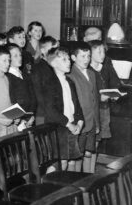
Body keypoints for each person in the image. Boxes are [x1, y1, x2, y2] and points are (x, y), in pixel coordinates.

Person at [45, 47, 84, 171]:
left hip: (71, 126)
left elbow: (76, 105)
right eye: (64, 59)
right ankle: (48, 187)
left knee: (68, 161)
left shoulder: (69, 81)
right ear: (53, 63)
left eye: (68, 59)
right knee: (60, 163)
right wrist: (68, 124)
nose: (69, 62)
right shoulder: (50, 82)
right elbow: (51, 110)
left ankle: (66, 189)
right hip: (59, 127)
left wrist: (80, 122)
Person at [88, 40, 121, 171]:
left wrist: (114, 94)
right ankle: (88, 171)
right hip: (93, 110)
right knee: (91, 143)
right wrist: (99, 97)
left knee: (97, 141)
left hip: (104, 109)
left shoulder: (106, 66)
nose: (103, 55)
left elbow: (115, 83)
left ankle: (92, 168)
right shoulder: (88, 69)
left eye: (104, 51)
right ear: (90, 53)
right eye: (99, 52)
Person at [69, 42, 99, 173]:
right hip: (80, 122)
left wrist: (97, 122)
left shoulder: (91, 74)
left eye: (88, 56)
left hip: (91, 121)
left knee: (88, 153)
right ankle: (74, 185)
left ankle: (86, 183)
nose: (86, 59)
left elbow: (95, 100)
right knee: (76, 157)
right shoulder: (70, 74)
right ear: (73, 58)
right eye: (82, 56)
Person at [6, 43, 36, 130]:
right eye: (15, 56)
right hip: (18, 121)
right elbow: (11, 101)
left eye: (20, 55)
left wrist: (31, 116)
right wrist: (22, 120)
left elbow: (33, 97)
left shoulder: (24, 75)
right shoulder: (8, 77)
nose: (19, 58)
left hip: (29, 119)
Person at [31, 36, 58, 125]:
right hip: (43, 114)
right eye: (52, 48)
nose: (56, 51)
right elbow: (38, 95)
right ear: (42, 50)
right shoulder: (38, 68)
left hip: (55, 113)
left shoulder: (55, 67)